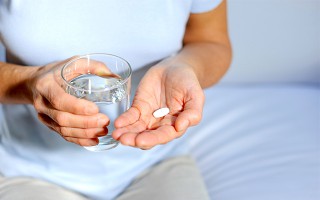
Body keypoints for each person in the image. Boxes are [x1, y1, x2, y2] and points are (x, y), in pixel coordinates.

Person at [0, 0, 232, 199]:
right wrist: (28, 83)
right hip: (29, 167)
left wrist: (185, 66)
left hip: (155, 160)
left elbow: (211, 42)